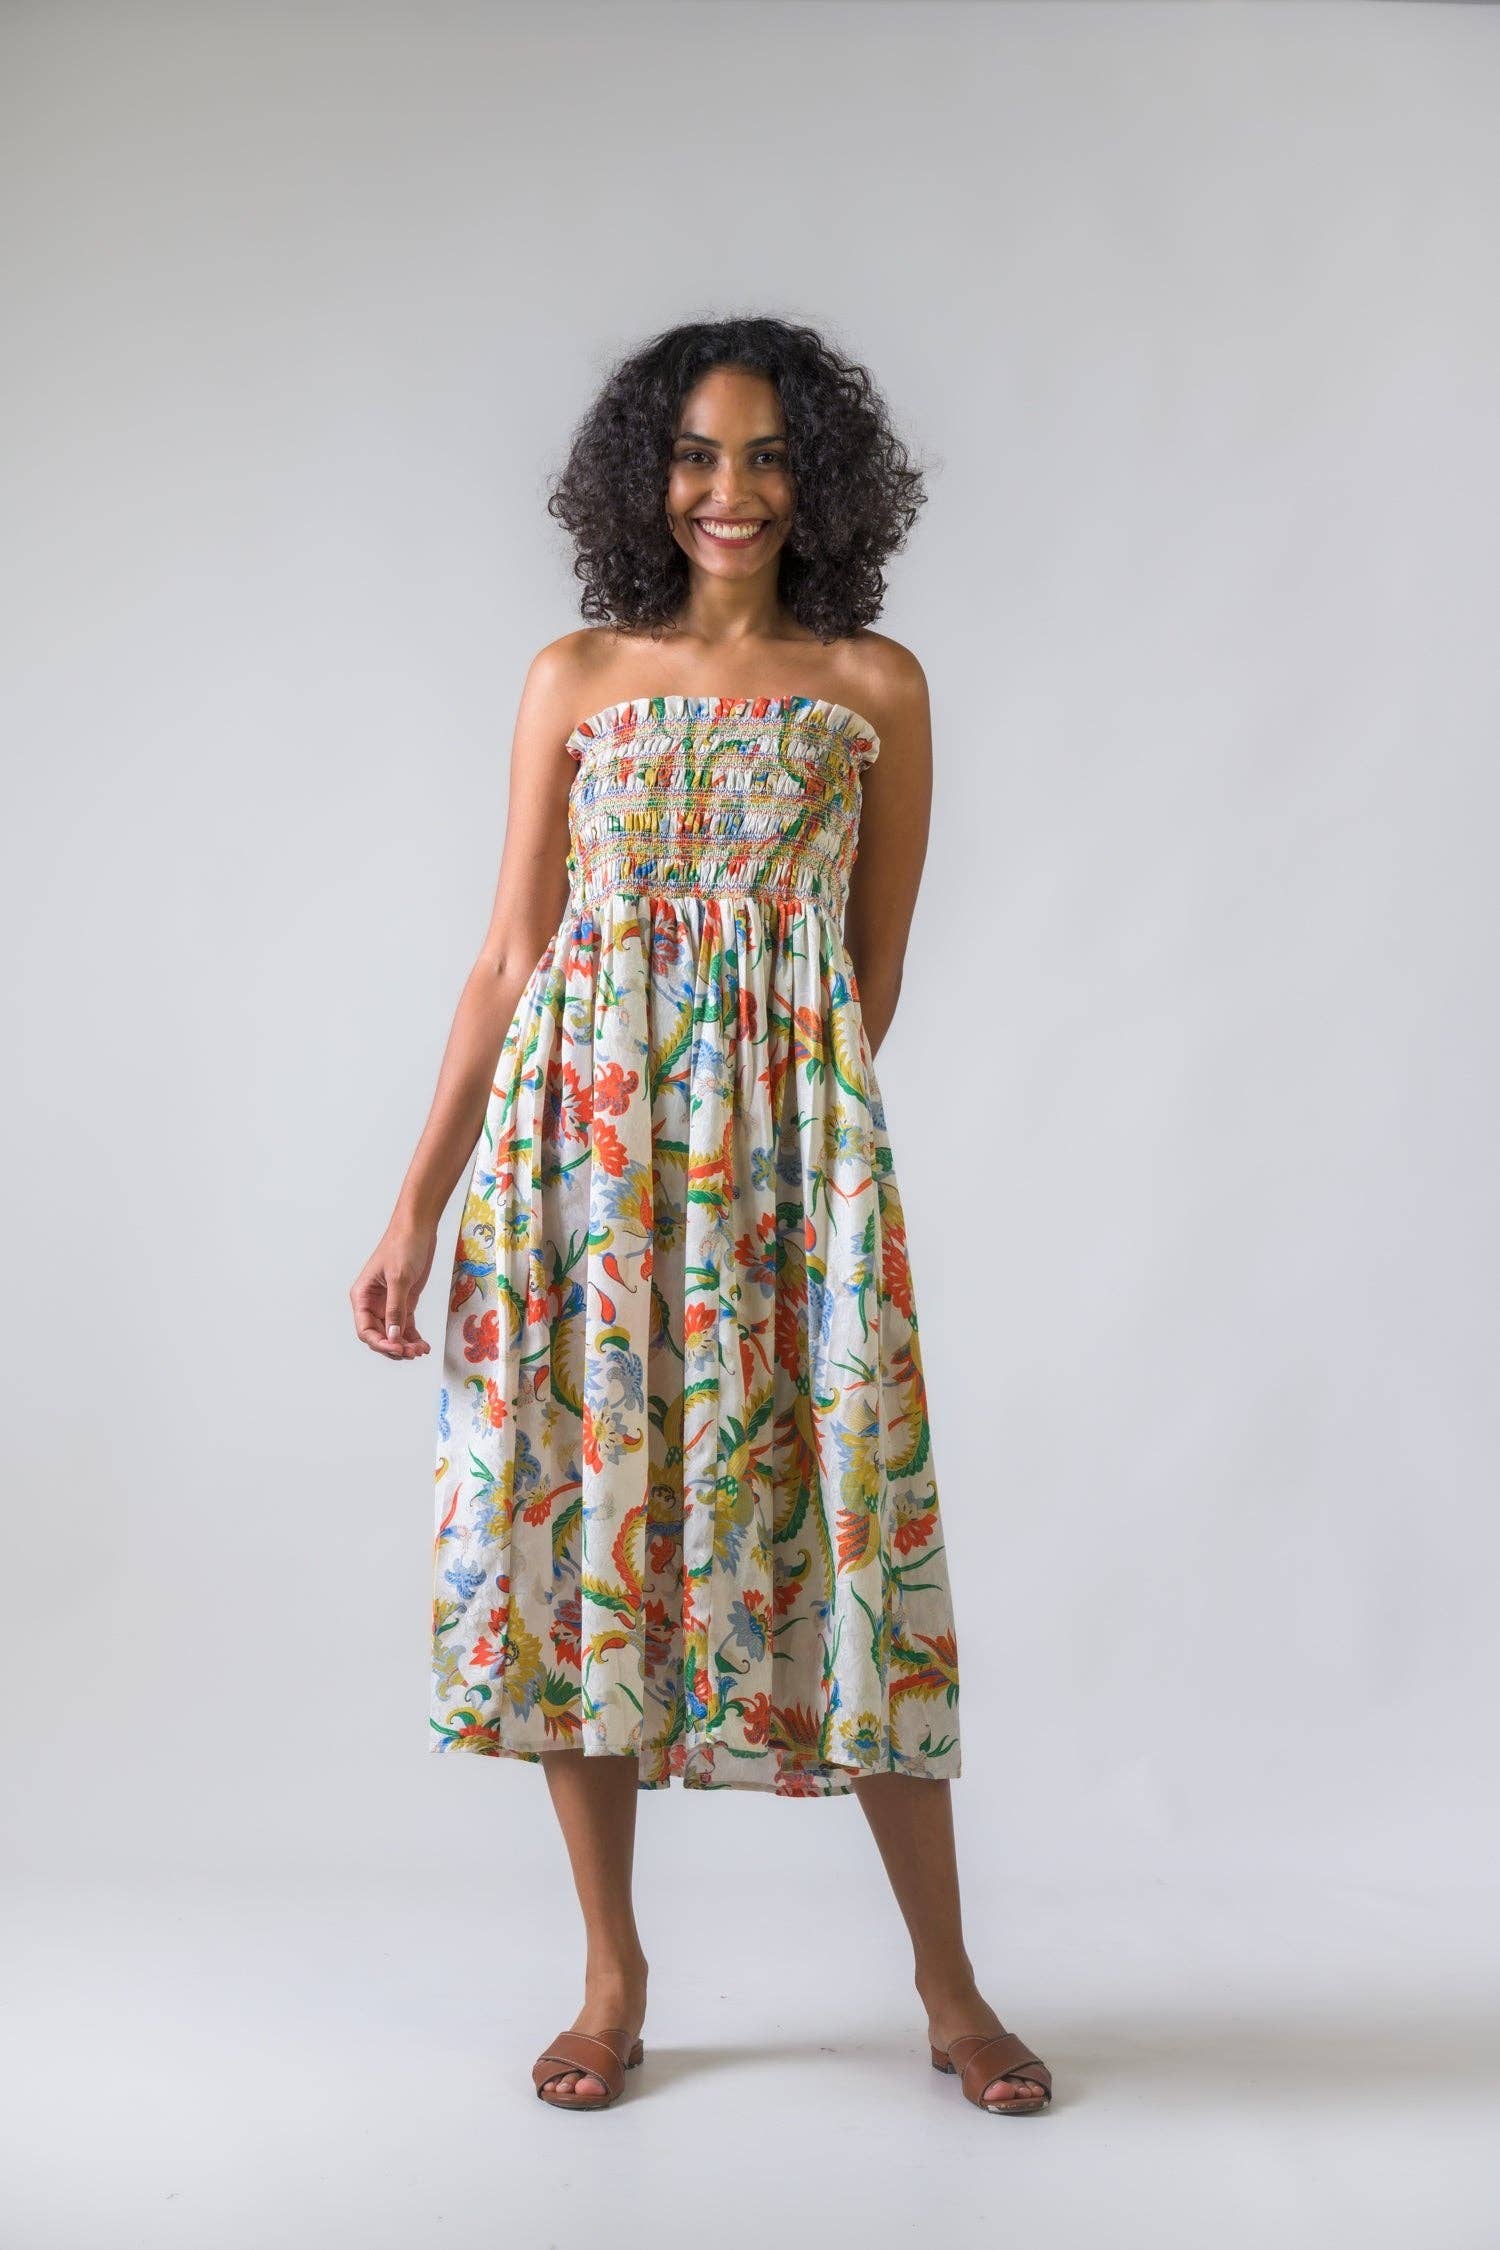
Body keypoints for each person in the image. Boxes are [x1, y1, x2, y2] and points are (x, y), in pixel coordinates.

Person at [350, 317, 1052, 2119]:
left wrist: (777, 1146)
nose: (728, 491)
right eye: (694, 454)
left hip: (786, 1177)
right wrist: (420, 1202)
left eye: (767, 456)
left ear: (822, 481)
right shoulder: (575, 675)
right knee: (585, 1526)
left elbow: (871, 974)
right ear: (641, 476)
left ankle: (951, 1986)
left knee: (855, 1528)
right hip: (574, 1170)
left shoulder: (875, 686)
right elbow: (510, 953)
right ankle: (613, 1973)